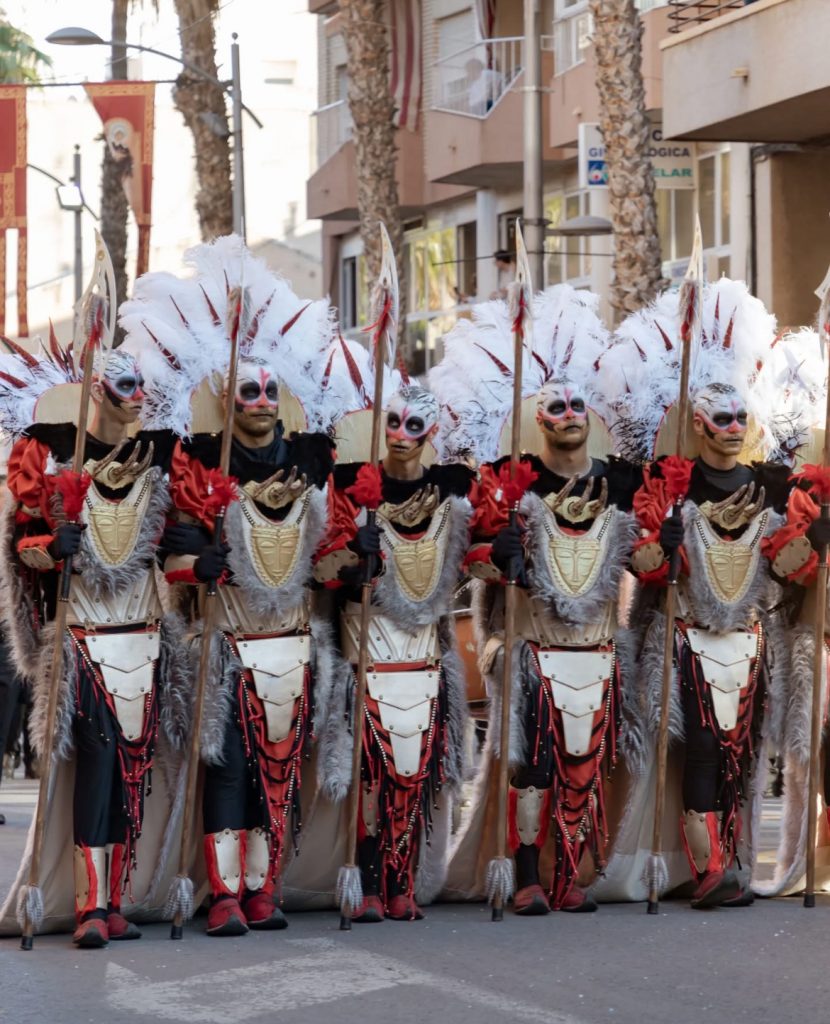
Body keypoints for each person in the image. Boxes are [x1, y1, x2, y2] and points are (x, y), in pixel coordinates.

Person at [130, 235, 341, 937]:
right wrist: (201, 565)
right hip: (225, 643)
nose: (259, 399)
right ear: (227, 397)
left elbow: (330, 561)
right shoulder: (196, 473)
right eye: (246, 390)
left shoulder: (312, 469)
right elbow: (170, 563)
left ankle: (262, 887)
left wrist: (354, 557)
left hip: (292, 645)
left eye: (268, 390)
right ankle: (224, 893)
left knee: (279, 771)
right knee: (228, 767)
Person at [596, 277, 821, 908]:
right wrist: (660, 545)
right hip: (687, 639)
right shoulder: (669, 486)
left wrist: (816, 536)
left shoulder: (769, 487)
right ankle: (707, 867)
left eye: (739, 418)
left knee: (739, 755)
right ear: (696, 426)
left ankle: (735, 858)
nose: (732, 427)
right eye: (720, 418)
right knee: (698, 750)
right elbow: (639, 564)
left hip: (748, 643)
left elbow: (790, 571)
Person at [436, 284, 642, 913]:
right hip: (533, 650)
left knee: (585, 766)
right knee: (532, 766)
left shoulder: (618, 488)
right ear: (541, 420)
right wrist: (500, 557)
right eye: (556, 405)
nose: (571, 413)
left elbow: (650, 559)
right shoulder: (508, 490)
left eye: (579, 404)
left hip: (597, 652)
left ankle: (567, 873)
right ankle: (526, 873)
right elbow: (475, 565)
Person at [0, 337, 187, 947]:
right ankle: (88, 904)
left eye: (141, 386)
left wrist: (198, 562)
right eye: (127, 387)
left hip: (145, 640)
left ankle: (113, 900)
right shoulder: (52, 459)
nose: (139, 399)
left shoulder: (157, 463)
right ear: (97, 393)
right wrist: (53, 549)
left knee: (132, 770)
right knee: (100, 758)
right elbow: (22, 548)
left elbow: (172, 553)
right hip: (83, 638)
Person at [317, 384, 473, 921]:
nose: (401, 436)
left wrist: (504, 550)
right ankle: (362, 879)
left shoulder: (452, 498)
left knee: (414, 775)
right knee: (369, 778)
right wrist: (345, 557)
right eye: (395, 423)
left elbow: (472, 562)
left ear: (430, 435)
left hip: (423, 657)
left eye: (415, 427)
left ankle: (400, 880)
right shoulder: (348, 488)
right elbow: (320, 569)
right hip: (366, 656)